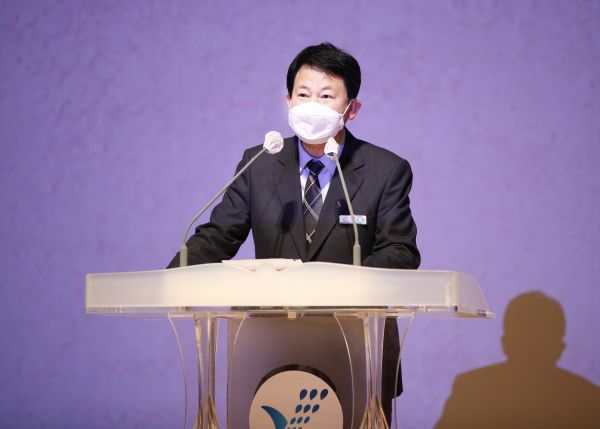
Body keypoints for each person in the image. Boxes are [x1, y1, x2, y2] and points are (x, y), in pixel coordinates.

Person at [168, 42, 420, 423]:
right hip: (269, 346)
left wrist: (332, 283)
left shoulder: (385, 170)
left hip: (356, 349)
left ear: (351, 109)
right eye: (303, 94)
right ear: (287, 101)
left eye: (326, 96)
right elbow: (218, 235)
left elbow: (401, 253)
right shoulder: (259, 164)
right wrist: (170, 280)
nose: (311, 104)